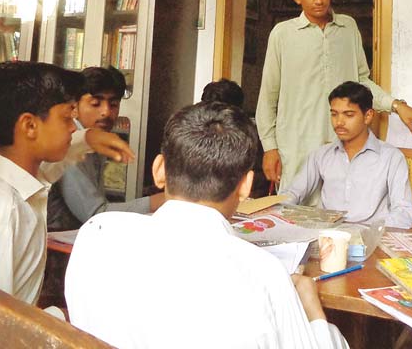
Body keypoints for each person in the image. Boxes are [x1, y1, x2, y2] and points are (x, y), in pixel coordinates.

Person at [66, 101, 348, 349]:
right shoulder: (263, 274)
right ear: (246, 186)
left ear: (159, 170)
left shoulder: (97, 235)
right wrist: (311, 305)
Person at [0, 63, 133, 307]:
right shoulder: (3, 212)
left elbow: (50, 170)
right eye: (67, 117)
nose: (73, 127)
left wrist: (88, 138)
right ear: (29, 126)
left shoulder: (4, 175)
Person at [256, 0, 412, 189]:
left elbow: (361, 82)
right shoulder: (282, 34)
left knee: (342, 211)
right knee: (295, 213)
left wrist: (395, 105)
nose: (318, 0)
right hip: (297, 147)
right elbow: (268, 96)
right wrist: (269, 147)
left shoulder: (348, 28)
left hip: (343, 143)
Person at [280, 81, 412, 228]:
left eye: (348, 115)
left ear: (368, 116)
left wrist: (372, 231)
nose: (339, 122)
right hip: (327, 237)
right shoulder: (321, 155)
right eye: (334, 114)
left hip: (370, 238)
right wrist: (275, 212)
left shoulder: (391, 158)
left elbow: (404, 214)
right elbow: (292, 193)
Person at [47, 67, 164, 231]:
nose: (106, 112)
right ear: (74, 107)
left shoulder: (96, 142)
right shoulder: (69, 145)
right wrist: (156, 202)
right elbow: (95, 215)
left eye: (114, 104)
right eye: (95, 103)